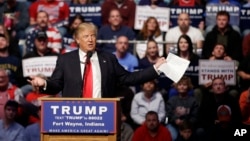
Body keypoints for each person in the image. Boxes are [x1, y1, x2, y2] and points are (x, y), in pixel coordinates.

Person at [28, 22, 166, 98]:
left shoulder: (108, 58)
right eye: (86, 36)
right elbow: (56, 86)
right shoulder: (65, 60)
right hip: (73, 116)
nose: (90, 39)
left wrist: (155, 69)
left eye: (93, 36)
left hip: (101, 116)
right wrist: (44, 83)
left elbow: (129, 78)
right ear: (77, 39)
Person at [166, 76, 199, 141]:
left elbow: (195, 116)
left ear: (188, 86)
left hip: (188, 126)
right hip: (174, 125)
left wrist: (186, 123)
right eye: (180, 85)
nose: (182, 87)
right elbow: (168, 114)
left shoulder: (193, 101)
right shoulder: (172, 100)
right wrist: (175, 120)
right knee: (173, 136)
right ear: (176, 86)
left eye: (184, 85)